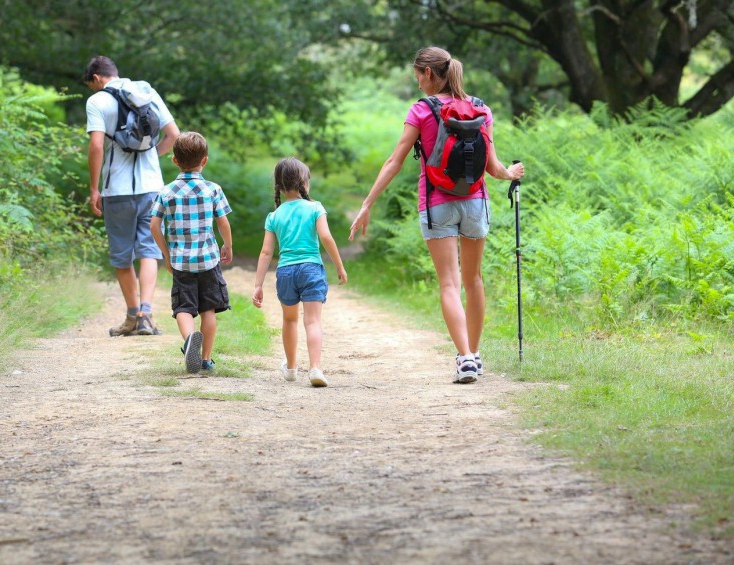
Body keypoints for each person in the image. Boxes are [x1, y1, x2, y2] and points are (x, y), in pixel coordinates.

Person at [348, 46, 525, 384]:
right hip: (476, 203)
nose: (417, 84)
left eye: (417, 76)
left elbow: (395, 161)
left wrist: (367, 203)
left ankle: (465, 359)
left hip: (436, 203)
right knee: (474, 280)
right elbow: (492, 167)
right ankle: (474, 354)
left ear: (428, 73)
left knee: (449, 282)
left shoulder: (421, 110)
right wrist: (511, 173)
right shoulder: (481, 109)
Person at [84, 55, 180, 337]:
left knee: (122, 256)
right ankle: (146, 315)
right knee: (149, 250)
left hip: (117, 190)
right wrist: (152, 155)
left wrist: (94, 188)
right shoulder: (146, 91)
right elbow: (173, 134)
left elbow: (96, 146)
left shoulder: (97, 101)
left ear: (97, 78)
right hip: (152, 187)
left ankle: (131, 317)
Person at [252, 157, 348, 388]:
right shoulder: (315, 207)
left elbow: (266, 252)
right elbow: (325, 237)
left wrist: (258, 284)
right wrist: (339, 265)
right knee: (312, 321)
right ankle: (315, 367)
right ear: (304, 182)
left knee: (289, 319)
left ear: (279, 186)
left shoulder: (274, 216)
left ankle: (292, 368)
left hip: (285, 271)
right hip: (311, 269)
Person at [150, 132, 233, 374]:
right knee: (208, 309)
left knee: (184, 308)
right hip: (208, 259)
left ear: (174, 160)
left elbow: (154, 225)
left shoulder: (167, 192)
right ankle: (206, 359)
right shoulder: (212, 189)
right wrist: (227, 245)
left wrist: (166, 254)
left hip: (180, 262)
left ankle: (189, 341)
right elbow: (223, 222)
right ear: (204, 160)